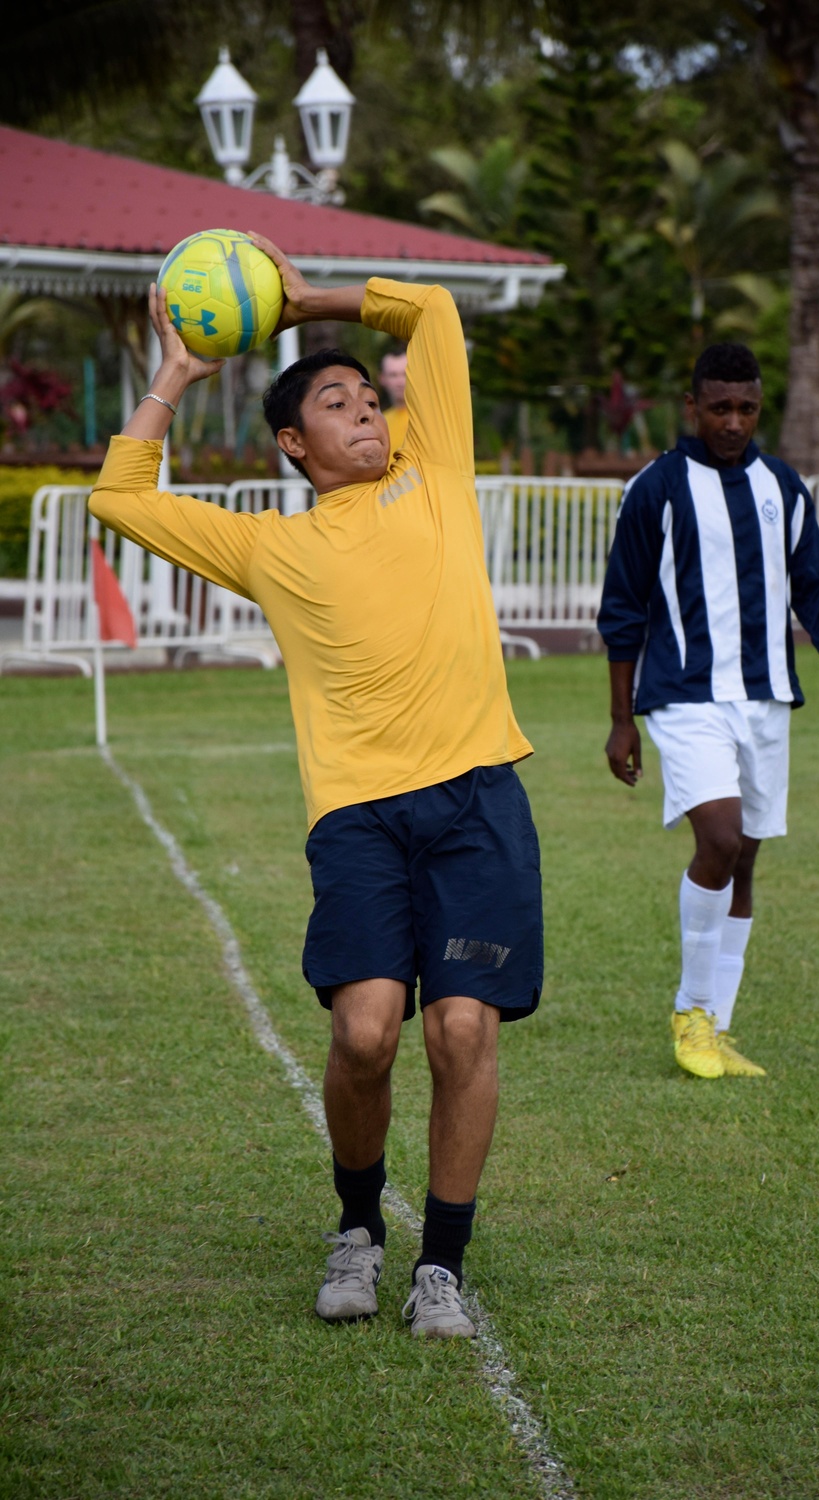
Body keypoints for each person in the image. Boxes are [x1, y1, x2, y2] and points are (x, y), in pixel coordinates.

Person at [88, 234, 543, 1338]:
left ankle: (441, 1263)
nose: (366, 416)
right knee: (367, 1035)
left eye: (366, 399)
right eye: (336, 406)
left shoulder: (436, 476)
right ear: (295, 444)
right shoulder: (272, 549)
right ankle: (356, 1231)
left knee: (463, 1033)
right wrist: (178, 374)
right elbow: (118, 497)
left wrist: (302, 304)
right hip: (357, 819)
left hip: (478, 795)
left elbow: (429, 313)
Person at [597, 342, 819, 1080]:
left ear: (760, 409)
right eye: (719, 407)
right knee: (719, 840)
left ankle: (719, 1028)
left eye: (747, 409)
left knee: (746, 859)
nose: (732, 422)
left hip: (765, 697)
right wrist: (621, 717)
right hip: (684, 695)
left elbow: (814, 586)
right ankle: (690, 1011)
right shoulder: (655, 490)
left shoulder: (781, 487)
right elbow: (623, 608)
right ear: (691, 407)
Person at [379, 346, 409, 452]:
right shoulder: (379, 423)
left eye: (405, 374)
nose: (400, 382)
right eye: (393, 375)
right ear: (382, 379)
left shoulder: (429, 417)